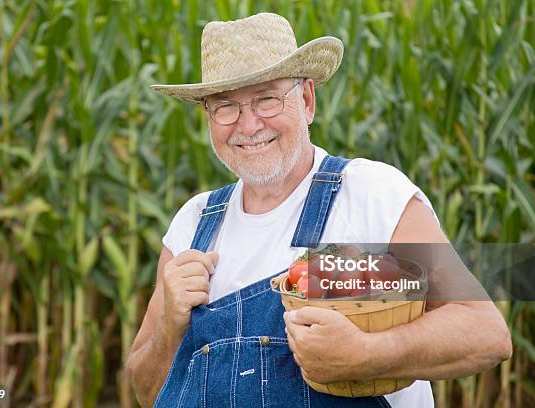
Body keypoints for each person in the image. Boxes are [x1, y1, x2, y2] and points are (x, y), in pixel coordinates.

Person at [126, 12, 512, 407]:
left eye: (267, 99)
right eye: (225, 106)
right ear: (208, 116)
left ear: (306, 99)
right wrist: (170, 324)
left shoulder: (370, 196)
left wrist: (364, 353)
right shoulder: (193, 223)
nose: (248, 124)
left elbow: (483, 332)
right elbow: (146, 390)